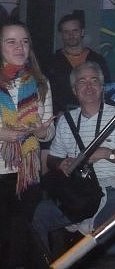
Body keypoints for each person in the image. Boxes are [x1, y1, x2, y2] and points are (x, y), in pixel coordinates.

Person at [32, 61, 115, 257]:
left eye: (94, 81)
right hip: (79, 191)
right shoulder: (66, 120)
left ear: (102, 87)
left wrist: (107, 153)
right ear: (74, 90)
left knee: (106, 236)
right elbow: (52, 158)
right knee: (40, 215)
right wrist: (60, 163)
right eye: (82, 82)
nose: (89, 86)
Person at [0, 20, 55, 268]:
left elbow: (49, 130)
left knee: (21, 235)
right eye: (11, 41)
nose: (19, 47)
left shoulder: (41, 83)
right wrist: (1, 133)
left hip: (27, 171)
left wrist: (42, 132)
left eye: (24, 41)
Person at [47, 12, 111, 115]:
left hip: (94, 115)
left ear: (82, 32)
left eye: (75, 31)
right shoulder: (52, 62)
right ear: (61, 34)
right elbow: (47, 93)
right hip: (63, 116)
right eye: (66, 31)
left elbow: (106, 88)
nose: (71, 35)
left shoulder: (97, 60)